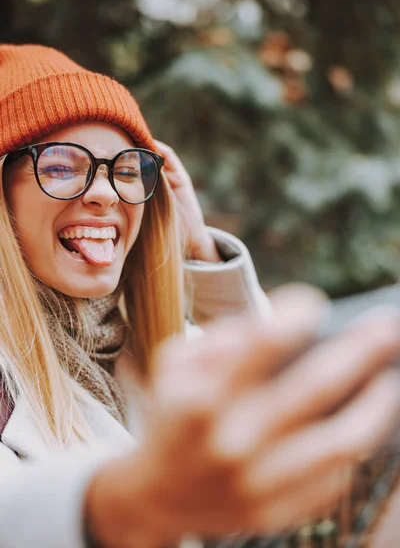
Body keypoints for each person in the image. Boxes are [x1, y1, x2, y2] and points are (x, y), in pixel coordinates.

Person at [0, 44, 399, 548]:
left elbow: (275, 410)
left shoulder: (152, 348)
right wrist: (134, 501)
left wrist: (199, 248)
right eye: (60, 166)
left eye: (126, 170)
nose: (106, 193)